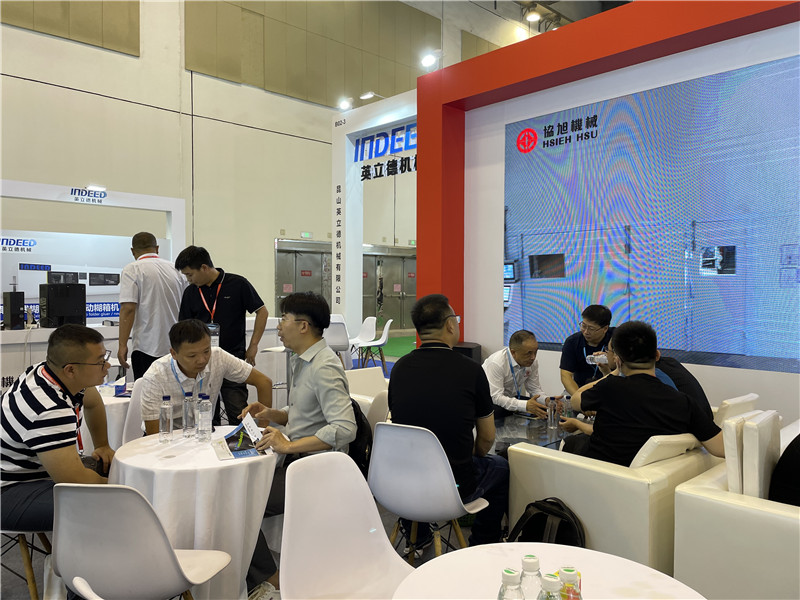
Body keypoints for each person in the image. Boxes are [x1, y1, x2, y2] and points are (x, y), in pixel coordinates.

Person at [240, 291, 356, 600]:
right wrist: (272, 414)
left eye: (285, 320)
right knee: (238, 493)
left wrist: (287, 446)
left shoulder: (324, 366)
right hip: (296, 461)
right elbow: (303, 412)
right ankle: (265, 574)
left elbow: (345, 428)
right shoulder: (302, 361)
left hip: (315, 469)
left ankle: (271, 580)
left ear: (303, 326)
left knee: (240, 503)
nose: (279, 327)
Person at [388, 294, 509, 547]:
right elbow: (487, 438)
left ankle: (419, 536)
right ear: (450, 325)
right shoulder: (471, 371)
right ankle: (482, 544)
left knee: (422, 463)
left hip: (402, 483)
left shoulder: (399, 369)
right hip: (452, 488)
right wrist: (471, 455)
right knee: (500, 467)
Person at [560, 321, 724, 466]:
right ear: (657, 355)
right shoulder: (683, 402)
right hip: (651, 475)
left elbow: (575, 400)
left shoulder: (610, 388)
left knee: (570, 443)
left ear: (618, 360)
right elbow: (721, 448)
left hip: (600, 472)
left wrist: (614, 372)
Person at [1, 325, 114, 532]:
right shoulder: (49, 409)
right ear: (71, 370)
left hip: (28, 473)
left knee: (110, 473)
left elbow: (93, 402)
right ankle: (71, 556)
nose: (107, 365)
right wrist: (125, 487)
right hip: (9, 490)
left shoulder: (47, 372)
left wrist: (103, 445)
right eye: (100, 361)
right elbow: (75, 480)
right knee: (112, 503)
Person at [175, 245, 268, 425]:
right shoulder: (191, 292)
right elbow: (183, 328)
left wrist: (254, 345)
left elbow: (262, 311)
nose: (188, 279)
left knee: (238, 412)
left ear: (204, 267)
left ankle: (245, 441)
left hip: (233, 358)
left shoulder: (238, 284)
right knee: (205, 416)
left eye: (190, 274)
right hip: (202, 363)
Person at [139, 319, 273, 435]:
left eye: (206, 351)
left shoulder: (218, 357)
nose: (202, 360)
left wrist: (261, 430)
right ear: (174, 353)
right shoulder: (155, 377)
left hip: (203, 434)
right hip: (168, 439)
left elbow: (264, 382)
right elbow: (154, 437)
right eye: (192, 356)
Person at [118, 232, 187, 379]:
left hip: (146, 346)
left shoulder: (132, 269)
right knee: (175, 389)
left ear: (132, 251)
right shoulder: (176, 270)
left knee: (146, 390)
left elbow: (128, 309)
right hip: (175, 345)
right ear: (157, 248)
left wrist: (122, 345)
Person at [482, 330, 547, 417]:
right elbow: (496, 397)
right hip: (489, 402)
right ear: (513, 352)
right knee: (501, 411)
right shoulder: (497, 363)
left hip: (512, 398)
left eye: (535, 352)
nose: (533, 357)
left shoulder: (532, 362)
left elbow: (534, 389)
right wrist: (524, 405)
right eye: (529, 353)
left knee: (544, 408)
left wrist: (547, 400)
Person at [560, 304, 614, 395]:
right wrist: (579, 398)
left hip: (609, 388)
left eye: (591, 328)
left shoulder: (615, 339)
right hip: (579, 389)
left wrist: (609, 359)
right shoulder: (572, 342)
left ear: (605, 328)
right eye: (583, 326)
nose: (585, 332)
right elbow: (566, 375)